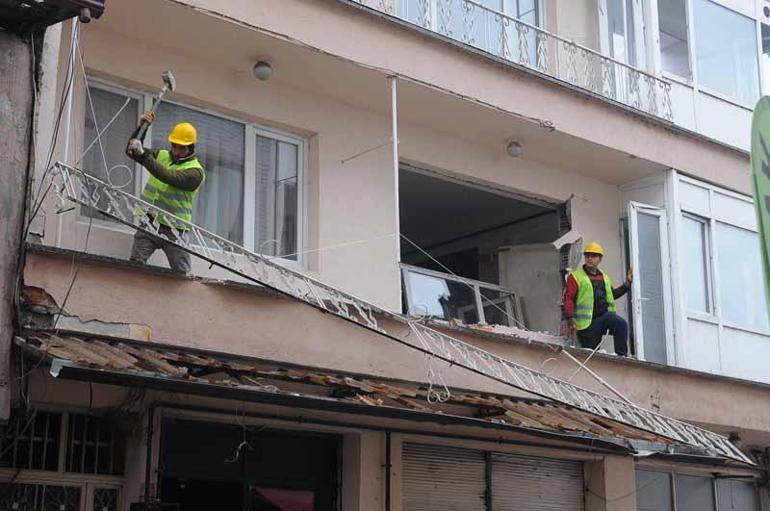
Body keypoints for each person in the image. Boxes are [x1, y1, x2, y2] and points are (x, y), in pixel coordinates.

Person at [125, 111, 205, 273]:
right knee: (135, 266)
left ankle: (184, 298)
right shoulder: (162, 155)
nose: (175, 151)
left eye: (181, 148)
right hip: (149, 221)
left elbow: (169, 177)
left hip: (174, 229)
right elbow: (132, 151)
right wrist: (141, 128)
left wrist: (144, 156)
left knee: (182, 274)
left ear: (190, 148)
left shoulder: (195, 172)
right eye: (174, 146)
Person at [563, 241, 633, 356]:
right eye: (587, 255)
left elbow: (612, 295)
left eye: (593, 256)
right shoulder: (576, 277)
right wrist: (570, 318)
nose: (589, 258)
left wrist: (627, 284)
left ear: (600, 259)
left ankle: (622, 357)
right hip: (586, 325)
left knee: (620, 324)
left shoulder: (604, 277)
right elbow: (569, 298)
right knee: (591, 355)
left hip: (603, 318)